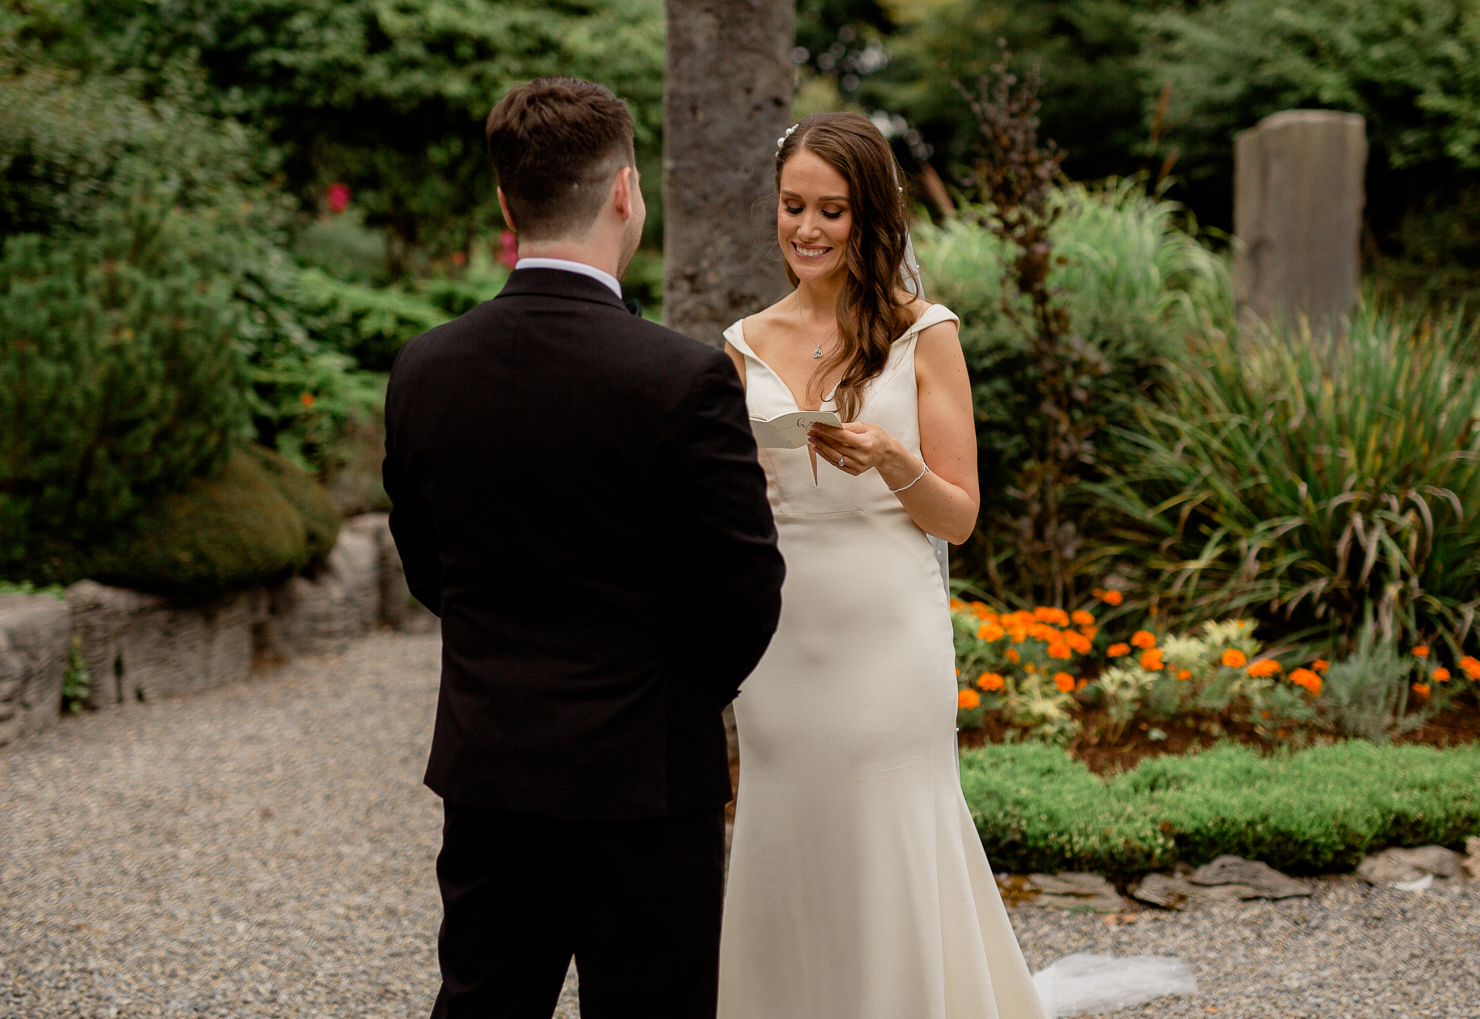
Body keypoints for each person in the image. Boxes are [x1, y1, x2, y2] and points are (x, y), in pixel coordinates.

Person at [383, 77, 785, 1019]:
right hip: (646, 776)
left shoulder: (425, 368)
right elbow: (747, 590)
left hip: (491, 760)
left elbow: (426, 564)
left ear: (505, 204)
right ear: (625, 194)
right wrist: (667, 692)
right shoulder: (681, 376)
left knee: (483, 1002)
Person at [716, 111, 1047, 1019]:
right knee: (788, 831)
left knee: (885, 827)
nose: (809, 230)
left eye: (833, 210)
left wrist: (897, 463)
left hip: (888, 634)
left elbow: (963, 516)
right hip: (782, 639)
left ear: (871, 218)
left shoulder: (923, 331)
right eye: (793, 207)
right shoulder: (744, 342)